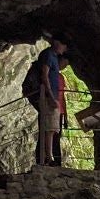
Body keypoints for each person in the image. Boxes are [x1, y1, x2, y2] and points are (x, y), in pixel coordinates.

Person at [37, 38, 67, 166]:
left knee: (52, 129)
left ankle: (49, 157)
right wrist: (50, 96)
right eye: (64, 45)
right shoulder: (49, 55)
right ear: (57, 42)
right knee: (49, 129)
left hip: (53, 98)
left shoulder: (52, 56)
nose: (64, 48)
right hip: (50, 98)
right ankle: (48, 158)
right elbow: (45, 75)